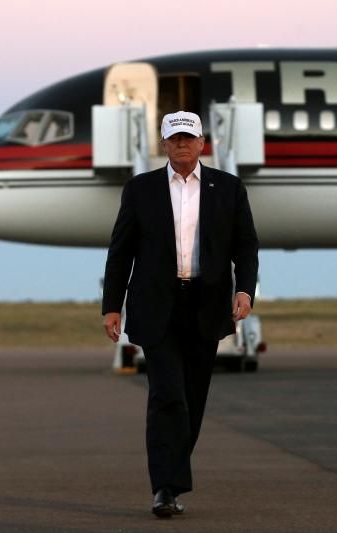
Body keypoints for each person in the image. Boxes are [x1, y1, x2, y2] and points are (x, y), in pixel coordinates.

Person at [101, 111, 259, 518]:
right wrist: (111, 306)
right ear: (164, 144)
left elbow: (246, 246)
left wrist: (244, 290)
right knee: (167, 397)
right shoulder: (141, 190)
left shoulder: (228, 188)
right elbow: (121, 251)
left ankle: (171, 474)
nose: (183, 145)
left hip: (205, 305)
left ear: (203, 143)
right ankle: (165, 489)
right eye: (175, 139)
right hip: (157, 306)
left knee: (192, 399)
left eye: (189, 138)